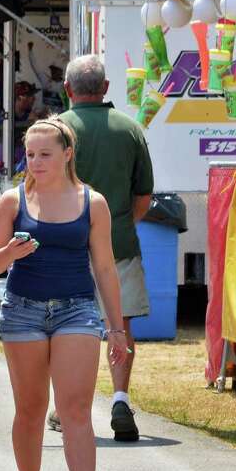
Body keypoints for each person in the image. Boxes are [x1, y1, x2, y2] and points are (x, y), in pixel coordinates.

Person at [0, 117, 128, 471]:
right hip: (23, 309)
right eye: (30, 154)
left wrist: (116, 327)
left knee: (75, 407)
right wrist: (10, 252)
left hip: (76, 308)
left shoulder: (91, 202)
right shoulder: (13, 201)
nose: (36, 162)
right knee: (30, 408)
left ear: (67, 154)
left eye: (45, 154)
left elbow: (104, 266)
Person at [56, 54, 154, 442]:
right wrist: (118, 227)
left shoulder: (56, 129)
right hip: (119, 244)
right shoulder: (129, 129)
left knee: (65, 329)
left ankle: (66, 405)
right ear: (106, 88)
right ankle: (119, 398)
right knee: (120, 323)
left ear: (68, 90)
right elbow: (143, 196)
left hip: (66, 248)